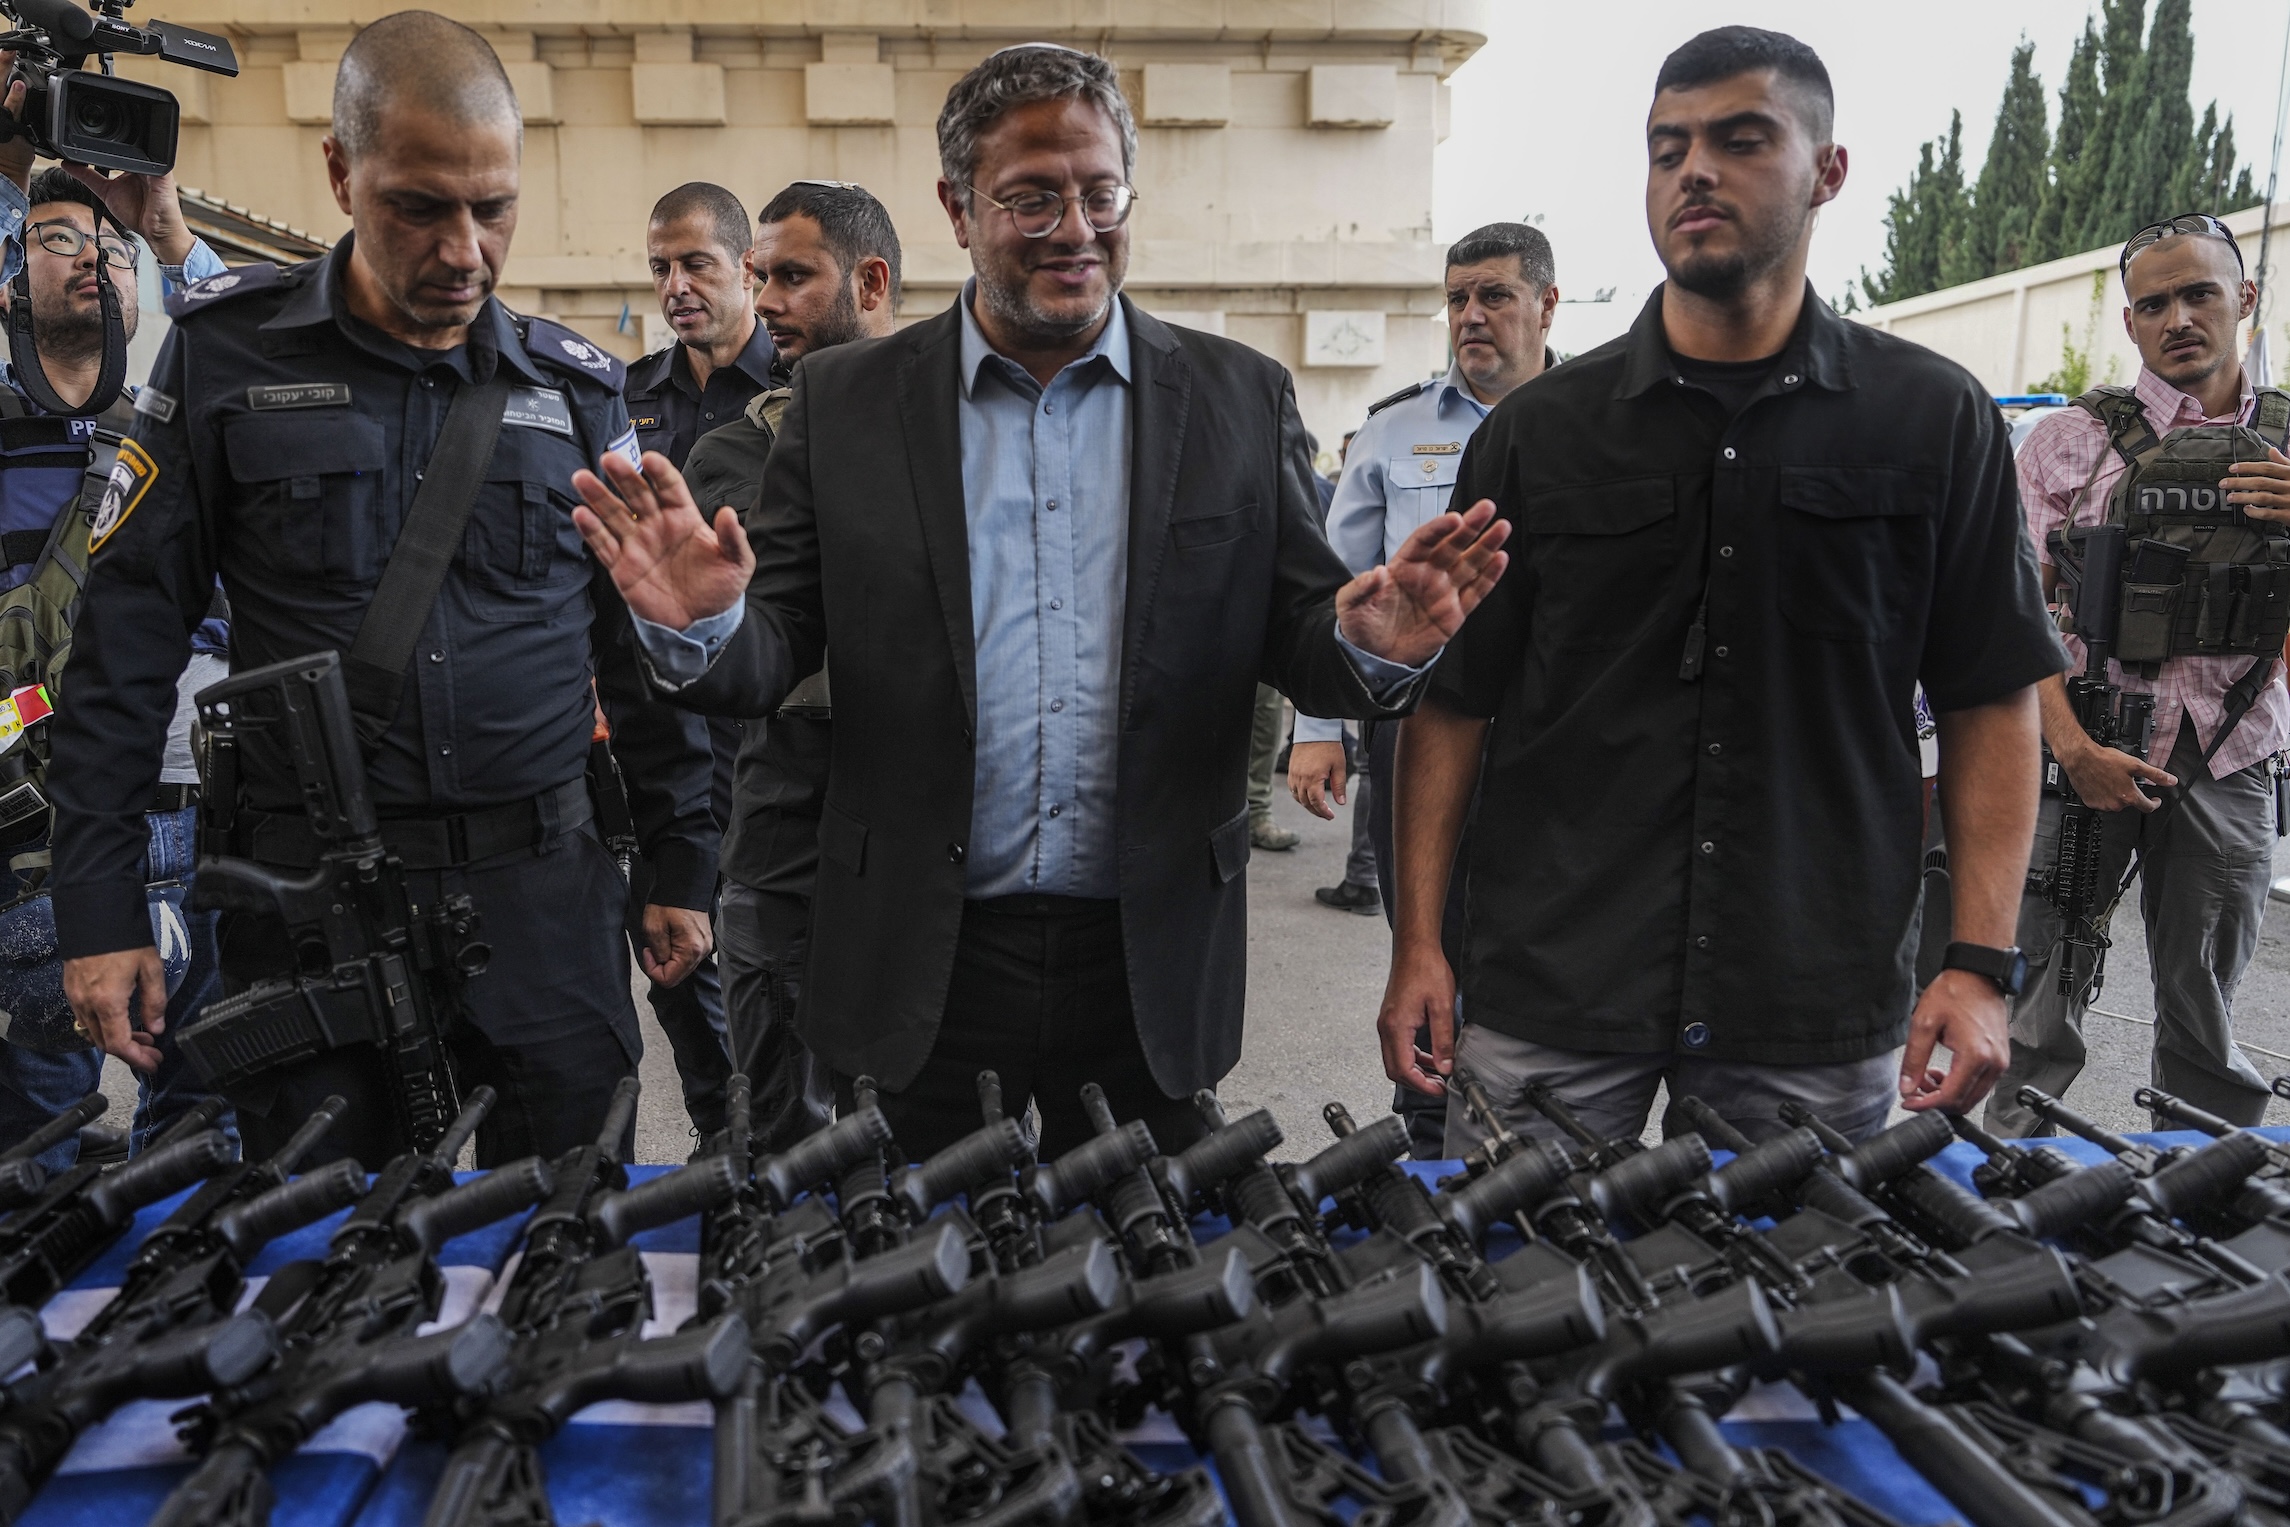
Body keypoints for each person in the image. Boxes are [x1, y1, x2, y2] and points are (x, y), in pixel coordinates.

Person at [569, 42, 1508, 1161]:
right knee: (918, 1251)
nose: (1076, 228)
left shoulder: (1234, 397)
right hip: (919, 946)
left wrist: (1372, 645)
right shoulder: (846, 401)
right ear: (956, 208)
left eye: (1101, 194)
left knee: (1148, 1247)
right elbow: (775, 652)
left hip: (1148, 949)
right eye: (1031, 198)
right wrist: (701, 623)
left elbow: (1299, 638)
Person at [48, 11, 720, 1169]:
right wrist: (99, 912)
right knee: (320, 1245)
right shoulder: (226, 356)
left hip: (543, 910)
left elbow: (635, 651)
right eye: (419, 207)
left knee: (568, 1237)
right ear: (340, 173)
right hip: (308, 909)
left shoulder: (575, 391)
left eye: (493, 208)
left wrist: (681, 858)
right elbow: (124, 645)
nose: (464, 250)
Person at [1384, 26, 2065, 1153]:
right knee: (1523, 1267)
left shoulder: (1934, 420)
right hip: (1554, 986)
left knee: (1799, 1271)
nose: (1693, 171)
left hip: (1807, 994)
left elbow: (1990, 697)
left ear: (1827, 170)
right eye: (1668, 149)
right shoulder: (1538, 435)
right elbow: (1455, 705)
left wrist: (1980, 963)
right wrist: (1418, 943)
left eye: (1741, 140)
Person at [1988, 214, 2290, 1136]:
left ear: (2245, 297)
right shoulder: (2067, 442)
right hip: (2082, 748)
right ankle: (2006, 1183)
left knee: (2206, 1011)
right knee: (2034, 1002)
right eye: (2154, 304)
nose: (2178, 319)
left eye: (2200, 293)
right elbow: (2007, 617)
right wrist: (2072, 748)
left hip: (2231, 756)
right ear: (2130, 323)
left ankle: (2200, 1191)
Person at [1288, 220, 1560, 1153]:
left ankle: (1541, 1117)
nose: (1471, 315)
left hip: (1558, 736)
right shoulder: (1395, 431)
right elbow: (1336, 591)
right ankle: (1430, 1113)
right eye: (1457, 298)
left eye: (1495, 295)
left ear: (1547, 305)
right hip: (1420, 730)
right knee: (1426, 934)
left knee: (1548, 940)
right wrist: (1316, 728)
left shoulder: (1595, 422)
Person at [0, 158, 234, 1169]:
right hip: (33, 821)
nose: (91, 259)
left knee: (205, 1108)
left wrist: (173, 236)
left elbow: (257, 334)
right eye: (55, 239)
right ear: (10, 285)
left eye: (113, 249)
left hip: (194, 805)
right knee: (36, 1120)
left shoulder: (180, 434)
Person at [679, 177, 900, 1152]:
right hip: (785, 822)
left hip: (930, 825)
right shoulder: (732, 453)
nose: (763, 301)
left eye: (793, 277)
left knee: (938, 1142)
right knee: (780, 1134)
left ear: (872, 283)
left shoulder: (967, 432)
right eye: (760, 276)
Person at [615, 181, 777, 1142]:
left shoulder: (797, 394)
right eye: (660, 268)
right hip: (655, 742)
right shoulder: (624, 396)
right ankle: (723, 1143)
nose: (675, 285)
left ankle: (769, 1149)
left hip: (758, 737)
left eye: (695, 264)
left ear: (746, 268)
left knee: (763, 979)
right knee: (674, 969)